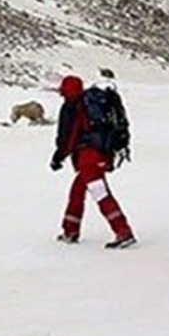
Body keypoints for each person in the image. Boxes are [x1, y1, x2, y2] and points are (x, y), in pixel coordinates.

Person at [49, 75, 136, 249]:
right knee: (77, 192)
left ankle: (123, 231)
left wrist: (58, 157)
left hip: (88, 158)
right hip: (102, 154)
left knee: (100, 193)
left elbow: (68, 137)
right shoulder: (91, 104)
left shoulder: (73, 107)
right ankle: (70, 230)